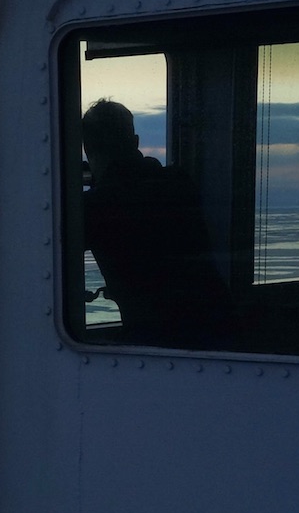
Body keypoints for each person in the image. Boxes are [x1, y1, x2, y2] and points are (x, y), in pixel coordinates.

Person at [80, 99, 232, 345]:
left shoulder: (97, 205)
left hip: (157, 335)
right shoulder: (178, 182)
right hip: (218, 322)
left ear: (89, 150)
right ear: (136, 142)